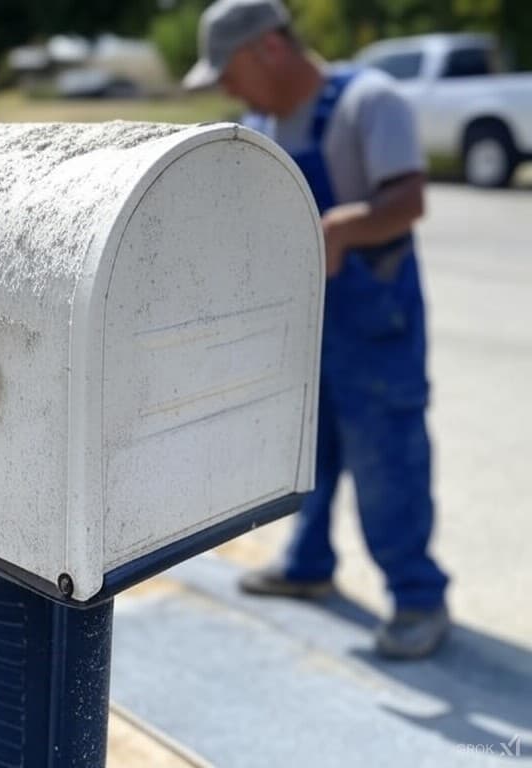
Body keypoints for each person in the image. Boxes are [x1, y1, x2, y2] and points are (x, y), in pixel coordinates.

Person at [184, 0, 450, 659]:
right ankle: (307, 564)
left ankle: (419, 598)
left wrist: (338, 229)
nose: (225, 87)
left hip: (374, 319)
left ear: (268, 49)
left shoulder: (370, 102)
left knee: (386, 456)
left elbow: (408, 200)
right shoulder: (263, 119)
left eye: (228, 70)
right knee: (307, 446)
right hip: (305, 319)